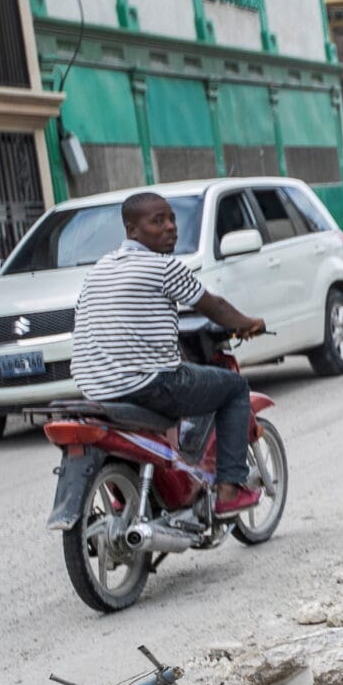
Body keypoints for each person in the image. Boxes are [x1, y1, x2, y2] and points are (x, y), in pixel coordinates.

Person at [71, 192, 267, 515]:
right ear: (132, 230)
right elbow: (213, 305)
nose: (170, 228)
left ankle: (135, 493)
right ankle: (229, 490)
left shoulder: (99, 269)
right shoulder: (162, 267)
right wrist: (249, 323)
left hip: (94, 389)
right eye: (157, 221)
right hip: (146, 385)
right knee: (233, 389)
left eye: (172, 219)